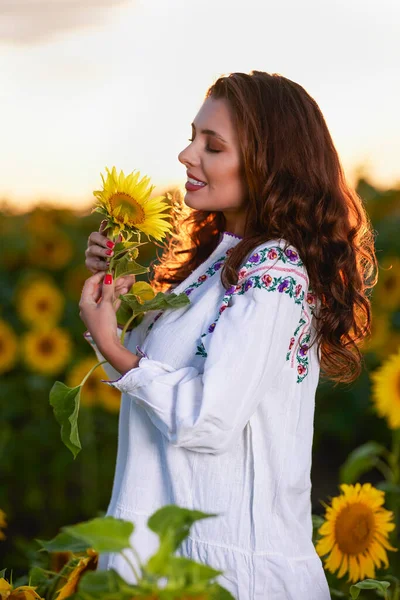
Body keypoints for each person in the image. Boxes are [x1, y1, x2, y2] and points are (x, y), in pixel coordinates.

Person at [79, 71, 377, 599]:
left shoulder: (276, 270)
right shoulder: (222, 257)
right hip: (170, 557)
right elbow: (152, 380)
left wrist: (114, 348)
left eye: (212, 146)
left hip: (230, 572)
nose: (186, 155)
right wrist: (114, 304)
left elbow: (207, 417)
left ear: (268, 166)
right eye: (193, 136)